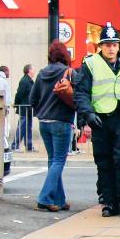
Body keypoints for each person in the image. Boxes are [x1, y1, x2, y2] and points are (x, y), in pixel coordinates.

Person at [73, 22, 120, 218]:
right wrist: (88, 114)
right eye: (107, 44)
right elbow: (81, 93)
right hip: (101, 120)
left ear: (119, 46)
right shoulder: (90, 64)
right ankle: (109, 202)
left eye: (114, 44)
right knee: (104, 161)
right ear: (101, 46)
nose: (111, 48)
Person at [29, 41, 76, 212]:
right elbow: (78, 97)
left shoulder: (41, 73)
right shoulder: (69, 73)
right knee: (58, 161)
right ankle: (44, 198)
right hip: (62, 121)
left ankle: (59, 199)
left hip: (44, 122)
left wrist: (41, 111)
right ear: (66, 56)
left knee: (53, 161)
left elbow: (32, 99)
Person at [12, 64, 35, 151]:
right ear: (29, 70)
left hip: (28, 108)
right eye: (33, 69)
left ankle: (29, 146)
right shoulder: (25, 81)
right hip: (24, 108)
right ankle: (15, 145)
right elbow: (19, 94)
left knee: (28, 127)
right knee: (22, 127)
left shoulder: (29, 81)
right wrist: (17, 104)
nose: (34, 71)